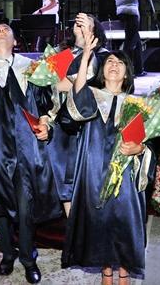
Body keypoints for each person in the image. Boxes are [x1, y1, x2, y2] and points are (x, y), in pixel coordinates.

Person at [0, 23, 61, 284]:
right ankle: (7, 252)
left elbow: (45, 104)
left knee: (25, 203)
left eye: (7, 28)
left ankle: (28, 257)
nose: (2, 29)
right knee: (0, 203)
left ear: (16, 41)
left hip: (25, 145)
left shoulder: (31, 67)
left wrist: (46, 125)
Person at [61, 38, 153, 285]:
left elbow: (148, 143)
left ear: (127, 73)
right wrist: (86, 56)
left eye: (120, 63)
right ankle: (106, 274)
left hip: (125, 174)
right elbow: (77, 101)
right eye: (109, 61)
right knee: (99, 220)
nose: (114, 65)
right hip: (94, 170)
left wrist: (140, 148)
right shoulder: (92, 96)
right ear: (101, 71)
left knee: (123, 220)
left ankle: (124, 274)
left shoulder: (137, 105)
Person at [46, 12, 109, 216]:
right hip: (62, 121)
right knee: (63, 172)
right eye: (77, 22)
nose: (79, 24)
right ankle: (71, 221)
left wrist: (67, 82)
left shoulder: (103, 55)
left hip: (90, 121)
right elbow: (52, 84)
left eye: (86, 22)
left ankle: (90, 221)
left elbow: (91, 81)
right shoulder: (61, 53)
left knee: (90, 174)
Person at [113, 0, 159, 76]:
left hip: (123, 12)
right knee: (129, 43)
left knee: (136, 42)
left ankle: (139, 69)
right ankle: (125, 70)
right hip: (130, 13)